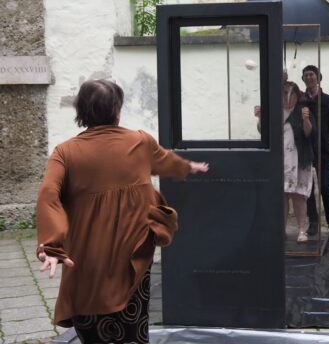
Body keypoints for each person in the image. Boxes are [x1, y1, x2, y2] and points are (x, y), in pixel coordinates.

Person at [36, 79, 209, 344]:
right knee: (133, 321)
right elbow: (164, 160)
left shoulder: (65, 153)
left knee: (91, 320)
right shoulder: (139, 142)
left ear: (81, 110)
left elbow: (49, 195)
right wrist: (189, 167)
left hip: (86, 256)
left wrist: (51, 244)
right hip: (133, 252)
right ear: (117, 110)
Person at [254, 81, 315, 242]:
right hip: (281, 159)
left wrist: (306, 119)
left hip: (299, 158)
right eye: (284, 93)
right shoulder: (275, 112)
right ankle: (281, 230)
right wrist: (260, 117)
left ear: (296, 95)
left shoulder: (303, 109)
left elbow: (309, 133)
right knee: (282, 195)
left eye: (290, 93)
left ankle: (302, 230)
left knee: (299, 196)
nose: (287, 97)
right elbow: (264, 131)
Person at [301, 65, 329, 237]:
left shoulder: (328, 100)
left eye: (312, 74)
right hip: (305, 149)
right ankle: (313, 222)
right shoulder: (301, 100)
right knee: (308, 189)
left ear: (318, 77)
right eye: (306, 75)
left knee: (325, 186)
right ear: (303, 79)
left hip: (323, 149)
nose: (309, 77)